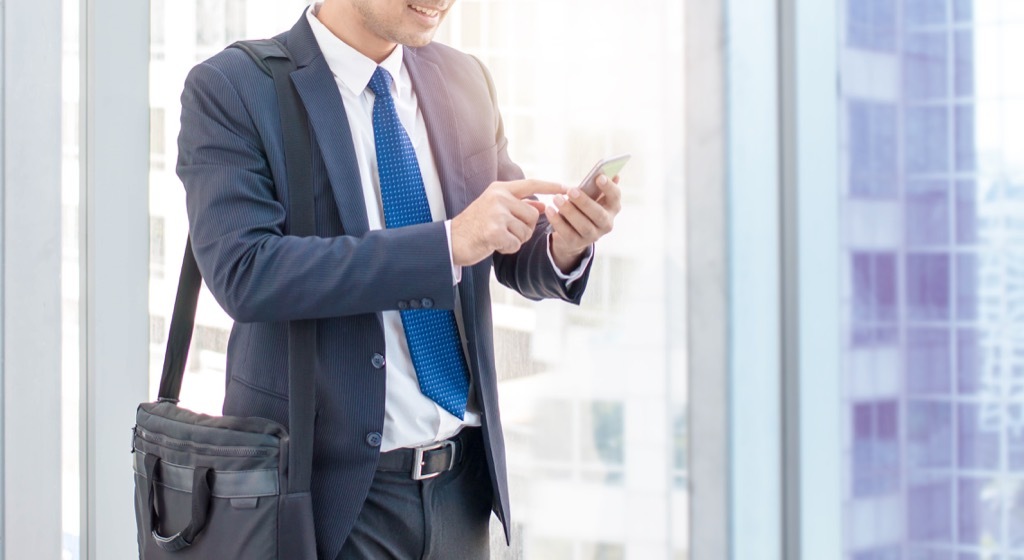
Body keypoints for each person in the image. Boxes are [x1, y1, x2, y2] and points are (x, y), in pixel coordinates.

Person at [176, 0, 621, 558]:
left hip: (462, 490)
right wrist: (445, 244)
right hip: (329, 501)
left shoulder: (463, 78)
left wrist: (564, 243)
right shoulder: (235, 88)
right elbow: (246, 273)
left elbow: (500, 241)